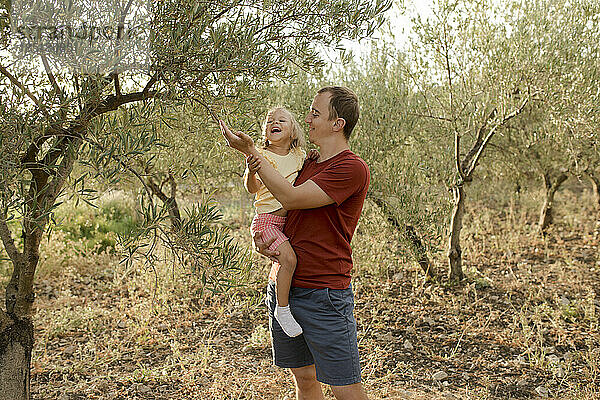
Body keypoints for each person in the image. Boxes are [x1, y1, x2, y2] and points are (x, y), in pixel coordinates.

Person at [220, 86, 370, 400]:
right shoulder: (308, 162)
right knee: (304, 378)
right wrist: (268, 239)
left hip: (324, 293)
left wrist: (251, 152)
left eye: (315, 113)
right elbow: (276, 209)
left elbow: (291, 198)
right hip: (284, 288)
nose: (308, 118)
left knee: (346, 390)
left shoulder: (350, 168)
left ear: (336, 123)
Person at [244, 107, 306, 338]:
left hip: (285, 221)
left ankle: (282, 305)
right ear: (265, 131)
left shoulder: (299, 155)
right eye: (270, 121)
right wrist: (251, 172)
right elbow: (252, 189)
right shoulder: (261, 155)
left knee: (284, 261)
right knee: (288, 259)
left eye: (281, 120)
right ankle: (282, 309)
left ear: (292, 131)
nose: (274, 123)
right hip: (266, 221)